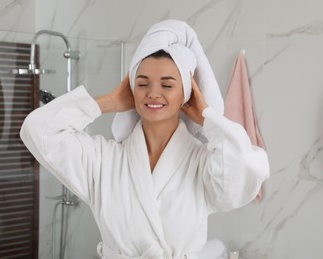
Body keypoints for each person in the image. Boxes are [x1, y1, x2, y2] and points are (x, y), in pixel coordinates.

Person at [20, 20, 269, 259]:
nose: (153, 93)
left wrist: (207, 116)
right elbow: (36, 129)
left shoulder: (203, 164)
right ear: (131, 91)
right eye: (142, 83)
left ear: (187, 93)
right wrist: (108, 102)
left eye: (167, 85)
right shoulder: (104, 161)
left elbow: (246, 166)